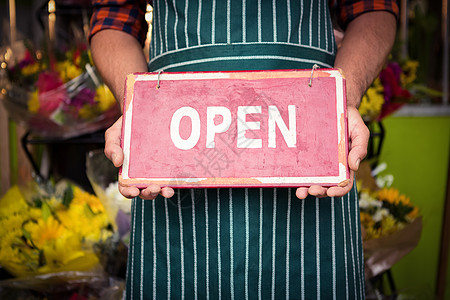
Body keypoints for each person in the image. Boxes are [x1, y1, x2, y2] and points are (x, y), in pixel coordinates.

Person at [89, 0, 398, 298]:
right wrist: (138, 110)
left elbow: (373, 8)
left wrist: (342, 101)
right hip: (171, 163)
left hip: (312, 141)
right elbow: (114, 15)